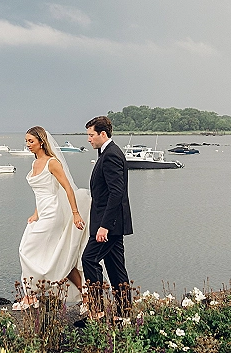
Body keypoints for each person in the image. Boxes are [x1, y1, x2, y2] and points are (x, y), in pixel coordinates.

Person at [14, 126, 91, 310]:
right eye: (26, 141)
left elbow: (67, 188)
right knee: (59, 254)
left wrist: (75, 213)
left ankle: (31, 294)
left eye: (31, 141)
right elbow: (40, 194)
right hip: (42, 212)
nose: (28, 145)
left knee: (26, 249)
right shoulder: (34, 164)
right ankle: (84, 294)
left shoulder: (52, 162)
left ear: (41, 141)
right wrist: (35, 213)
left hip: (54, 213)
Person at [82, 116, 133, 318]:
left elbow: (116, 193)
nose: (89, 139)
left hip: (109, 224)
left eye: (91, 135)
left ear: (103, 134)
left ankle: (97, 312)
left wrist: (104, 226)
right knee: (115, 267)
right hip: (112, 222)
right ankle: (123, 314)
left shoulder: (111, 155)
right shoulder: (107, 153)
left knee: (89, 259)